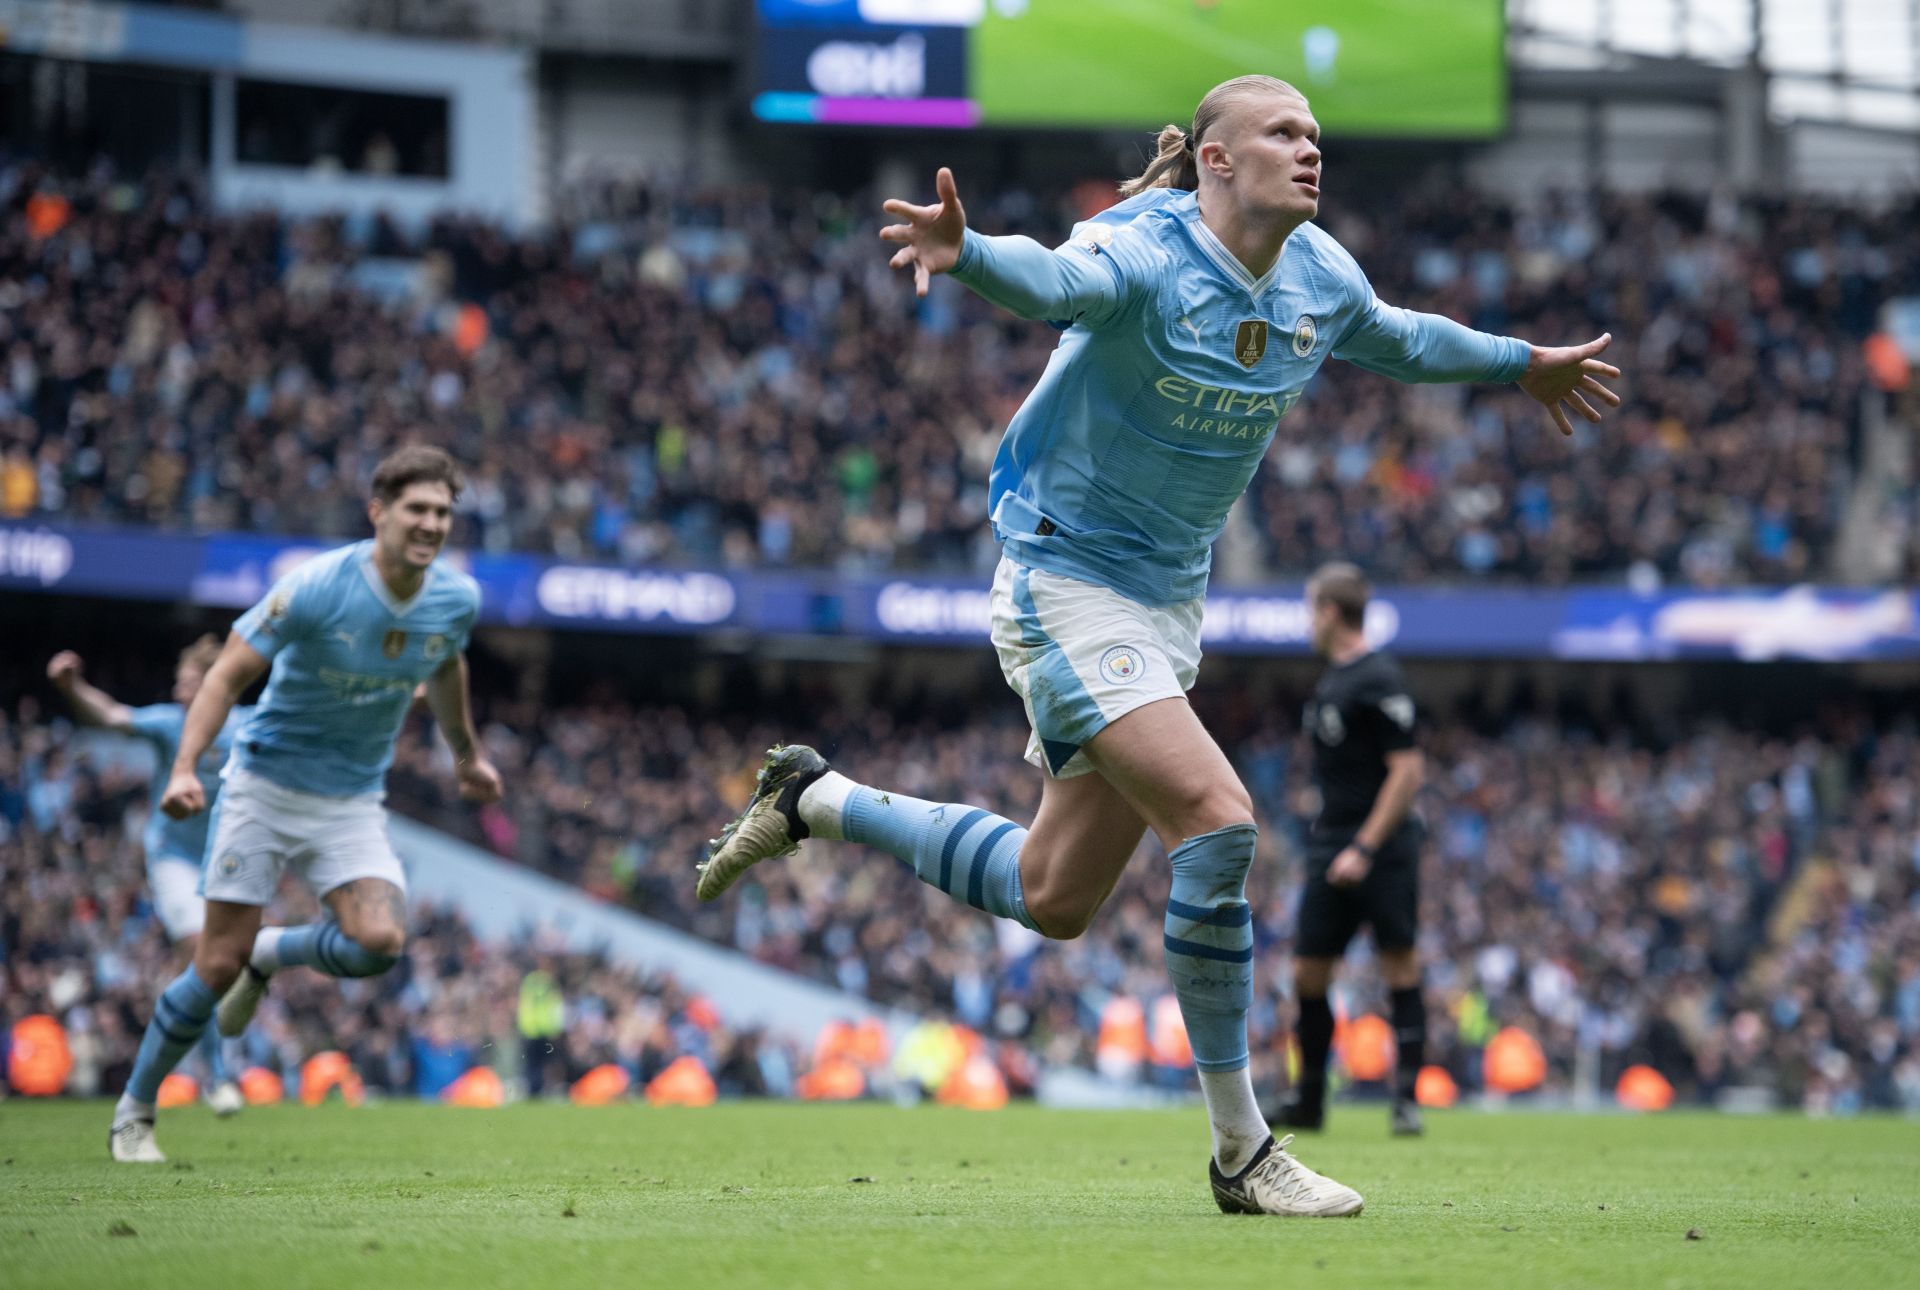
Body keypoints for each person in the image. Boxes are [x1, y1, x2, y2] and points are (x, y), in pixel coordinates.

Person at [697, 74, 1620, 1217]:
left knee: (1054, 895)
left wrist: (1520, 362)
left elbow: (1399, 339)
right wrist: (972, 249)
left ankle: (817, 799)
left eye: (1317, 134)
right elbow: (1056, 278)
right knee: (1221, 823)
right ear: (1218, 160)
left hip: (1164, 606)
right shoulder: (1145, 245)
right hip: (1062, 579)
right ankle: (1243, 1150)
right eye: (1283, 133)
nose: (1310, 149)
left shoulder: (1320, 275)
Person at [107, 445, 504, 1162]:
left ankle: (273, 950)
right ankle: (135, 1109)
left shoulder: (455, 599)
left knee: (381, 944)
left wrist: (467, 755)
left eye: (444, 512)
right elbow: (225, 676)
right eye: (417, 508)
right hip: (264, 784)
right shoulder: (316, 586)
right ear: (378, 512)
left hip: (351, 799)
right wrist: (185, 768)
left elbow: (446, 665)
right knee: (214, 964)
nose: (432, 523)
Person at [47, 638, 253, 1116]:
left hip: (229, 862)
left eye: (188, 682)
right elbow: (113, 716)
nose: (179, 691)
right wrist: (72, 687)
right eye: (179, 682)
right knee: (203, 954)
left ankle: (205, 1054)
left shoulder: (246, 726)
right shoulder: (168, 724)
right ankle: (217, 1075)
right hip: (174, 857)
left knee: (225, 967)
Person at [1270, 563, 1429, 1136]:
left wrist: (1364, 845)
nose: (1307, 622)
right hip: (1330, 842)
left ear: (1331, 612)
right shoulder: (1332, 681)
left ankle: (1406, 1102)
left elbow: (1408, 771)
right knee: (1308, 973)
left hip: (1380, 849)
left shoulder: (1379, 676)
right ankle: (1309, 1101)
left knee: (1399, 967)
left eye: (1312, 609)